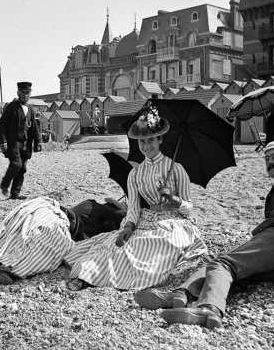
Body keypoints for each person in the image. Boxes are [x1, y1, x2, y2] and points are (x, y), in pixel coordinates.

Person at [135, 141, 274, 330]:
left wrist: (259, 230)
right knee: (230, 268)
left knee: (224, 264)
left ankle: (208, 307)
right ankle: (181, 294)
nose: (269, 162)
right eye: (266, 159)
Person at [63, 106, 207, 291]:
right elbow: (133, 208)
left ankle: (135, 281)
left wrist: (174, 200)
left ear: (160, 139)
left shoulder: (176, 168)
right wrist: (129, 226)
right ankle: (88, 277)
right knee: (116, 245)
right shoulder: (135, 173)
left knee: (160, 244)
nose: (146, 146)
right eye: (142, 142)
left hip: (174, 222)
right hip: (145, 220)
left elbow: (189, 207)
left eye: (151, 140)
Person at [0, 196, 127, 284]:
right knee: (48, 244)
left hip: (47, 213)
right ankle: (5, 265)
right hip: (54, 216)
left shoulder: (96, 216)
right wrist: (129, 209)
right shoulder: (96, 206)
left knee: (15, 236)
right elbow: (123, 216)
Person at [0, 81, 42, 200]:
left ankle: (15, 194)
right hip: (13, 142)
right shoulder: (12, 107)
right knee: (16, 164)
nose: (25, 95)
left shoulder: (31, 109)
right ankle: (4, 184)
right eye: (23, 92)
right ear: (18, 93)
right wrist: (3, 141)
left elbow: (35, 127)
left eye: (28, 93)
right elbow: (0, 124)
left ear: (30, 93)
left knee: (22, 168)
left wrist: (38, 141)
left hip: (26, 143)